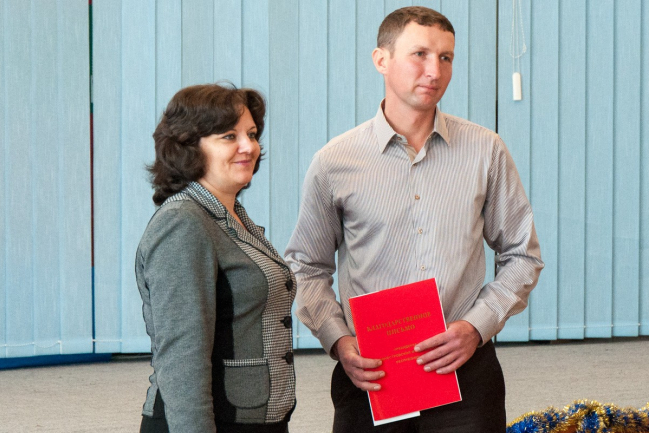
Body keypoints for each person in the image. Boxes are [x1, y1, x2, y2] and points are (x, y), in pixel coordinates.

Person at [285, 6, 543, 433]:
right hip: (371, 374)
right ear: (381, 60)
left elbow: (522, 255)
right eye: (419, 54)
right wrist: (339, 340)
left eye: (446, 57)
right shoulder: (334, 162)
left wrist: (475, 327)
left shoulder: (486, 150)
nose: (434, 71)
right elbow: (306, 266)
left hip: (465, 370)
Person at [136, 83, 296, 433]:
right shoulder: (183, 222)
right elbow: (182, 358)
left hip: (252, 419)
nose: (249, 146)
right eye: (229, 136)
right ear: (189, 147)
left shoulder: (231, 215)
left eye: (251, 134)